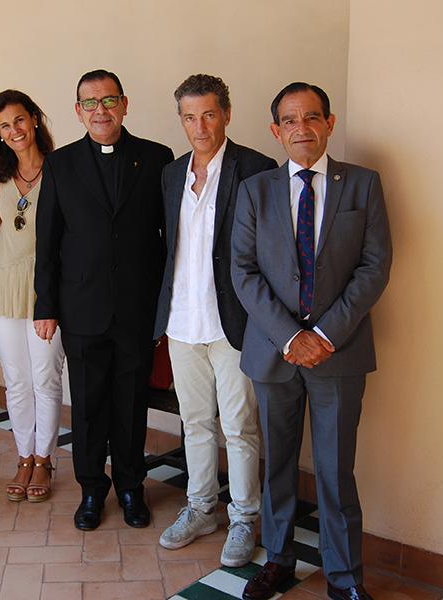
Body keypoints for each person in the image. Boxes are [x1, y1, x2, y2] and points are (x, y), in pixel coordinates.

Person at [231, 82, 392, 600]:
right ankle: (277, 559)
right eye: (290, 120)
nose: (303, 128)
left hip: (338, 353)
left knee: (334, 470)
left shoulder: (362, 185)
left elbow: (374, 267)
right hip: (275, 353)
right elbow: (243, 271)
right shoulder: (255, 190)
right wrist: (290, 336)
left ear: (330, 123)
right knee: (277, 463)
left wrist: (322, 334)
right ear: (276, 131)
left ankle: (345, 579)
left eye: (313, 117)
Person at [34, 69, 173, 531]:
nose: (100, 110)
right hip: (81, 309)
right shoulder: (60, 164)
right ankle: (92, 490)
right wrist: (46, 305)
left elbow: (168, 239)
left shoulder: (157, 158)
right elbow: (48, 241)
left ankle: (132, 487)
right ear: (78, 112)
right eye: (90, 103)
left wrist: (164, 308)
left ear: (125, 104)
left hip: (136, 309)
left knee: (132, 403)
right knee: (90, 406)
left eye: (109, 100)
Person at [154, 74, 277, 566]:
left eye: (208, 114)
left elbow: (268, 250)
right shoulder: (172, 173)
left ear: (226, 113)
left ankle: (244, 517)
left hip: (234, 323)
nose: (199, 126)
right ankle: (201, 507)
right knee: (196, 423)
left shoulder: (256, 168)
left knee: (241, 425)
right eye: (189, 117)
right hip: (182, 320)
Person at [0, 90, 65, 503]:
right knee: (15, 380)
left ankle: (45, 459)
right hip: (1, 285)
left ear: (34, 119)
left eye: (18, 120)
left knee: (45, 378)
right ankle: (24, 457)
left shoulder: (62, 169)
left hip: (46, 288)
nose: (13, 131)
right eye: (3, 126)